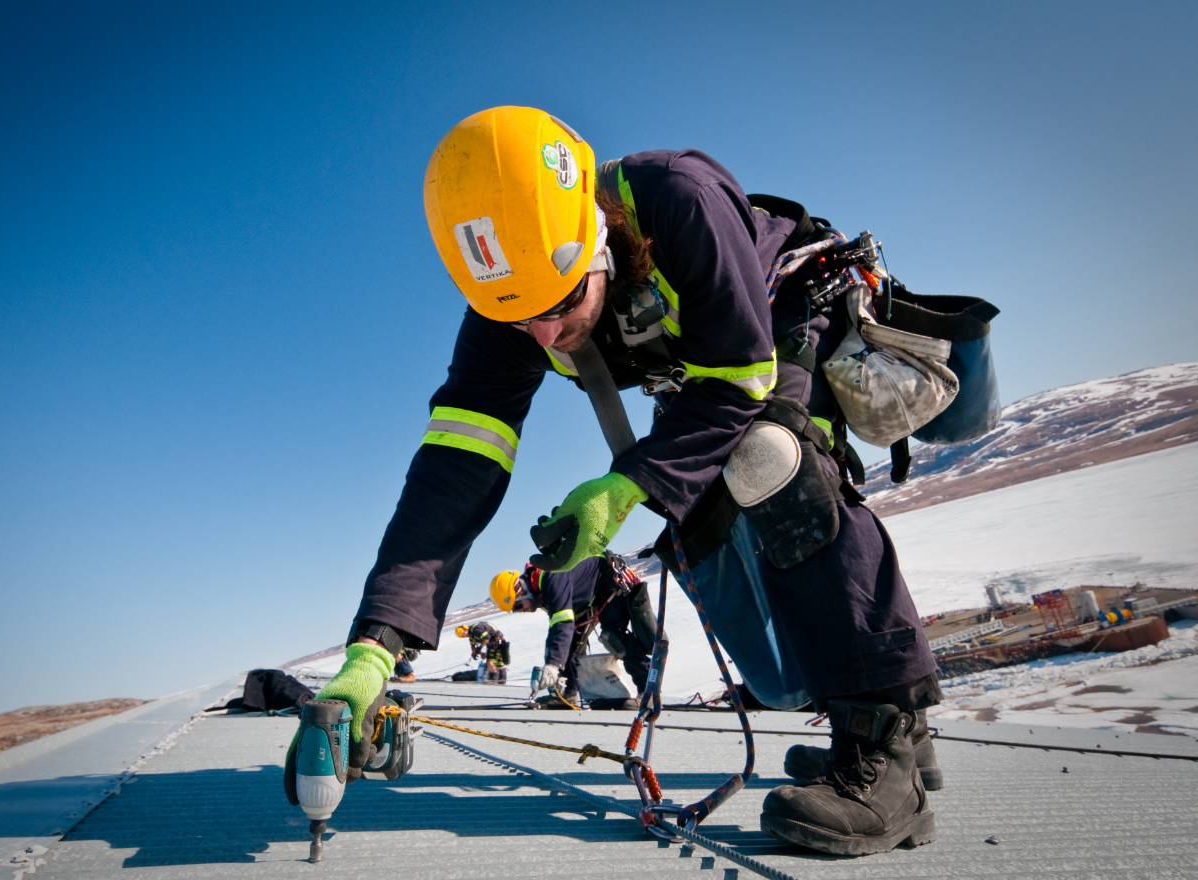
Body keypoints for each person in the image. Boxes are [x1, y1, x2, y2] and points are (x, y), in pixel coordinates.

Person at [315, 106, 942, 855]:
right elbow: (455, 467)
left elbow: (739, 379)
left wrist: (626, 486)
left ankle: (884, 746)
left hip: (778, 320)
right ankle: (901, 735)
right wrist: (375, 647)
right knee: (704, 526)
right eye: (521, 323)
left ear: (598, 240)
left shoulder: (679, 199)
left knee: (772, 462)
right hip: (704, 377)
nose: (544, 335)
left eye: (561, 304)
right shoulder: (510, 299)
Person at [491, 554, 654, 708]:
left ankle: (649, 692)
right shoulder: (540, 590)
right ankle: (568, 695)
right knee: (572, 641)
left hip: (608, 580)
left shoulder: (551, 578)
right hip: (590, 595)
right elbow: (558, 630)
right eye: (515, 610)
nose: (520, 611)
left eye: (517, 606)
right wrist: (552, 662)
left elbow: (563, 624)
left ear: (520, 589)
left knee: (615, 638)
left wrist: (553, 664)